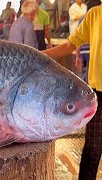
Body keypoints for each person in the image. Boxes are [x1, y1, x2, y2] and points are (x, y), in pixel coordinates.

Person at [42, 5, 102, 179]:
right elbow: (70, 44)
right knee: (93, 148)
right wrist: (39, 55)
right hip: (98, 92)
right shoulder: (94, 15)